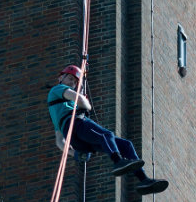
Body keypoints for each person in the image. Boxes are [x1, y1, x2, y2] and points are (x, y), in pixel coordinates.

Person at [47, 65, 168, 195]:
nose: (72, 83)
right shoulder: (58, 89)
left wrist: (76, 154)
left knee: (126, 145)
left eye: (75, 82)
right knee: (106, 135)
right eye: (70, 78)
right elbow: (82, 101)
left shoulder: (59, 108)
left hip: (77, 137)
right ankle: (117, 161)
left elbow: (60, 142)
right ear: (60, 77)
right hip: (76, 125)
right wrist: (85, 103)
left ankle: (144, 180)